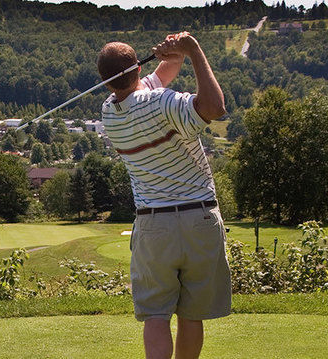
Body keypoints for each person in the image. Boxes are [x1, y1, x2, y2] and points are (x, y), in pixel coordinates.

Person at [98, 32, 230, 359]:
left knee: (156, 313)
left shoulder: (109, 113)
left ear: (106, 81)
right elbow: (214, 107)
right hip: (199, 217)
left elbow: (155, 80)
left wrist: (172, 56)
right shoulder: (162, 102)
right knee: (191, 312)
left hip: (153, 225)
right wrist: (193, 50)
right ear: (138, 69)